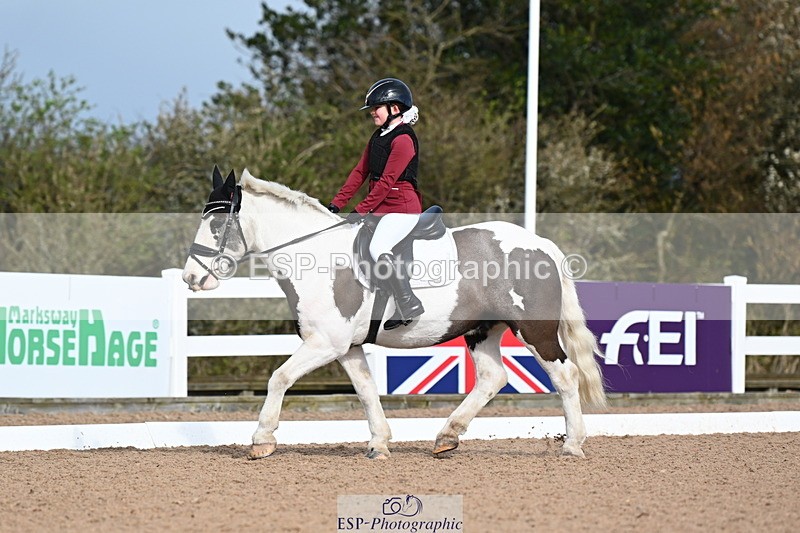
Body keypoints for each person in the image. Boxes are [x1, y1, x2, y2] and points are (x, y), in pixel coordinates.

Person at [327, 78, 424, 330]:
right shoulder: (379, 136)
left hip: (402, 208)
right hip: (381, 207)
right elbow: (360, 172)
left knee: (378, 245)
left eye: (376, 107)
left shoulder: (403, 140)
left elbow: (386, 182)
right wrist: (336, 204)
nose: (372, 112)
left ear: (394, 108)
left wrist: (360, 210)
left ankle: (408, 302)